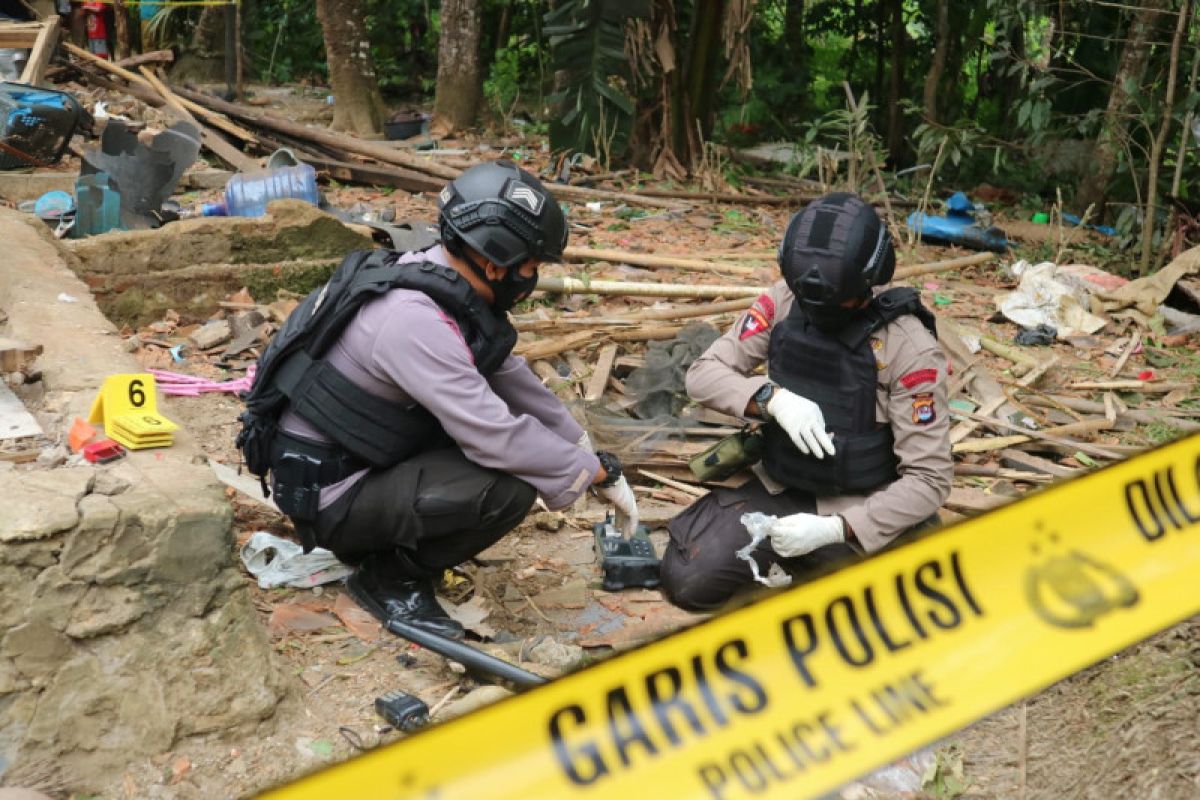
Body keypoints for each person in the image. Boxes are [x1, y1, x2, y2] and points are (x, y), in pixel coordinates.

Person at [261, 160, 639, 639]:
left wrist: (588, 454)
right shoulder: (414, 319)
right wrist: (591, 473)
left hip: (355, 464)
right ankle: (390, 579)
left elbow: (512, 381)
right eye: (530, 265)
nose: (532, 278)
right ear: (493, 261)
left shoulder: (436, 281)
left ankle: (390, 544)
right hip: (331, 496)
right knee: (509, 487)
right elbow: (495, 435)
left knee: (518, 455)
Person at [659, 192, 953, 611]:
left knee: (875, 615)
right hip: (786, 483)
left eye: (837, 302)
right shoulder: (786, 300)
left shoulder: (908, 348)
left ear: (868, 283)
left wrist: (837, 528)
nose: (820, 310)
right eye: (809, 297)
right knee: (687, 580)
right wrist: (770, 397)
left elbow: (930, 479)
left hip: (864, 499)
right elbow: (704, 374)